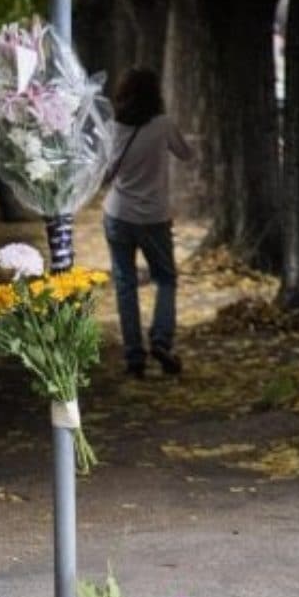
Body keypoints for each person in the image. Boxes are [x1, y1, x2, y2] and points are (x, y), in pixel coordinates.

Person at [101, 67, 193, 378]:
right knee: (165, 278)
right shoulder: (163, 125)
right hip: (154, 217)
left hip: (118, 214)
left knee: (125, 284)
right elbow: (186, 154)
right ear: (155, 95)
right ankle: (161, 340)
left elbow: (105, 172)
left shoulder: (114, 128)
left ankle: (134, 357)